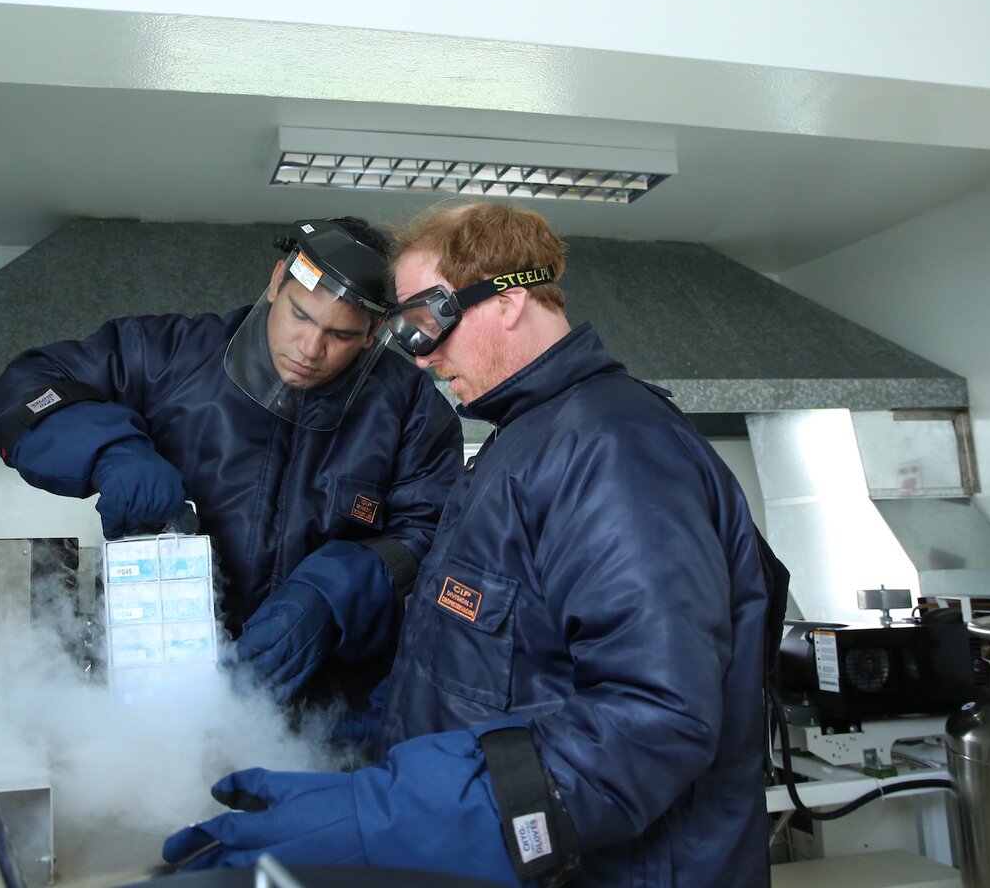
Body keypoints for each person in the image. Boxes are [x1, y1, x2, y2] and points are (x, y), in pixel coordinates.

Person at [163, 202, 773, 886]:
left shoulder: (612, 450)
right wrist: (385, 753)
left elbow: (653, 722)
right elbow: (505, 671)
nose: (423, 357)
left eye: (429, 325)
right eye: (410, 334)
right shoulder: (526, 444)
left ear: (509, 301)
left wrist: (388, 817)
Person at [0, 217, 463, 701]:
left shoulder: (410, 409)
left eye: (339, 335)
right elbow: (25, 387)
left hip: (332, 705)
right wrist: (111, 450)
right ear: (277, 281)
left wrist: (338, 593)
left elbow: (432, 536)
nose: (310, 349)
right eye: (301, 315)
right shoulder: (168, 356)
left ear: (373, 330)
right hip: (160, 694)